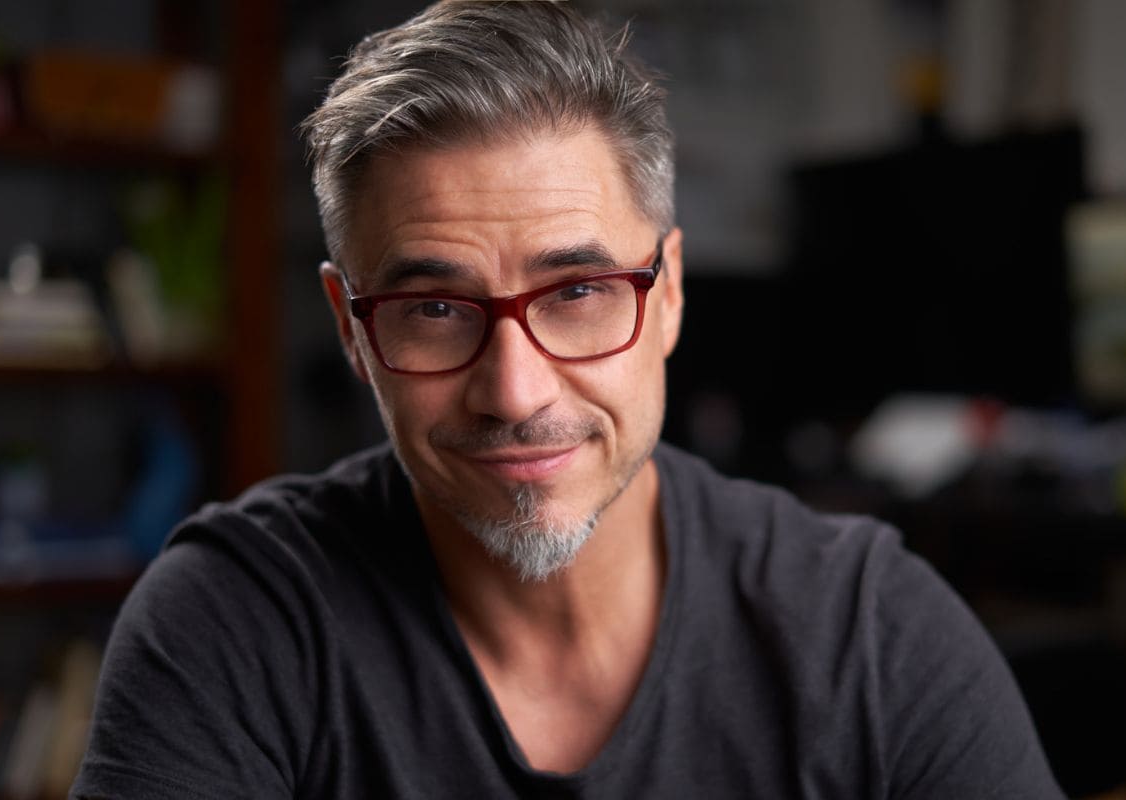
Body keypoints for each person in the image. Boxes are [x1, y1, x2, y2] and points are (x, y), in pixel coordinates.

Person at [72, 2, 1066, 797]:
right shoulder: (236, 621)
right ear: (351, 328)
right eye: (432, 308)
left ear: (668, 293)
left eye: (579, 293)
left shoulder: (870, 634)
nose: (514, 389)